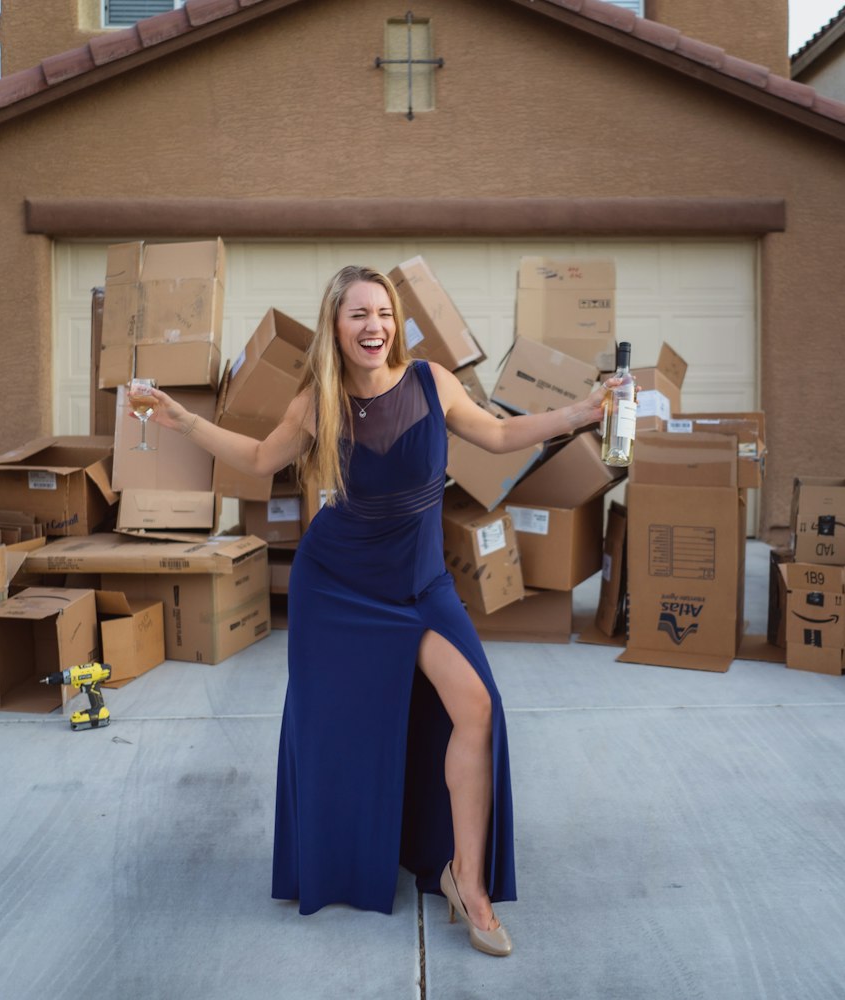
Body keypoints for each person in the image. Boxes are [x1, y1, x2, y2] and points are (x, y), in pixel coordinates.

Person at [134, 265, 619, 958]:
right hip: (337, 586)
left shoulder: (430, 381)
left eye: (384, 314)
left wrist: (582, 411)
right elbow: (258, 455)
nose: (375, 327)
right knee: (333, 733)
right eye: (359, 314)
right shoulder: (319, 400)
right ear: (336, 324)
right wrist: (183, 419)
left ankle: (466, 881)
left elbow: (501, 435)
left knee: (475, 708)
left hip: (421, 586)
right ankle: (344, 861)